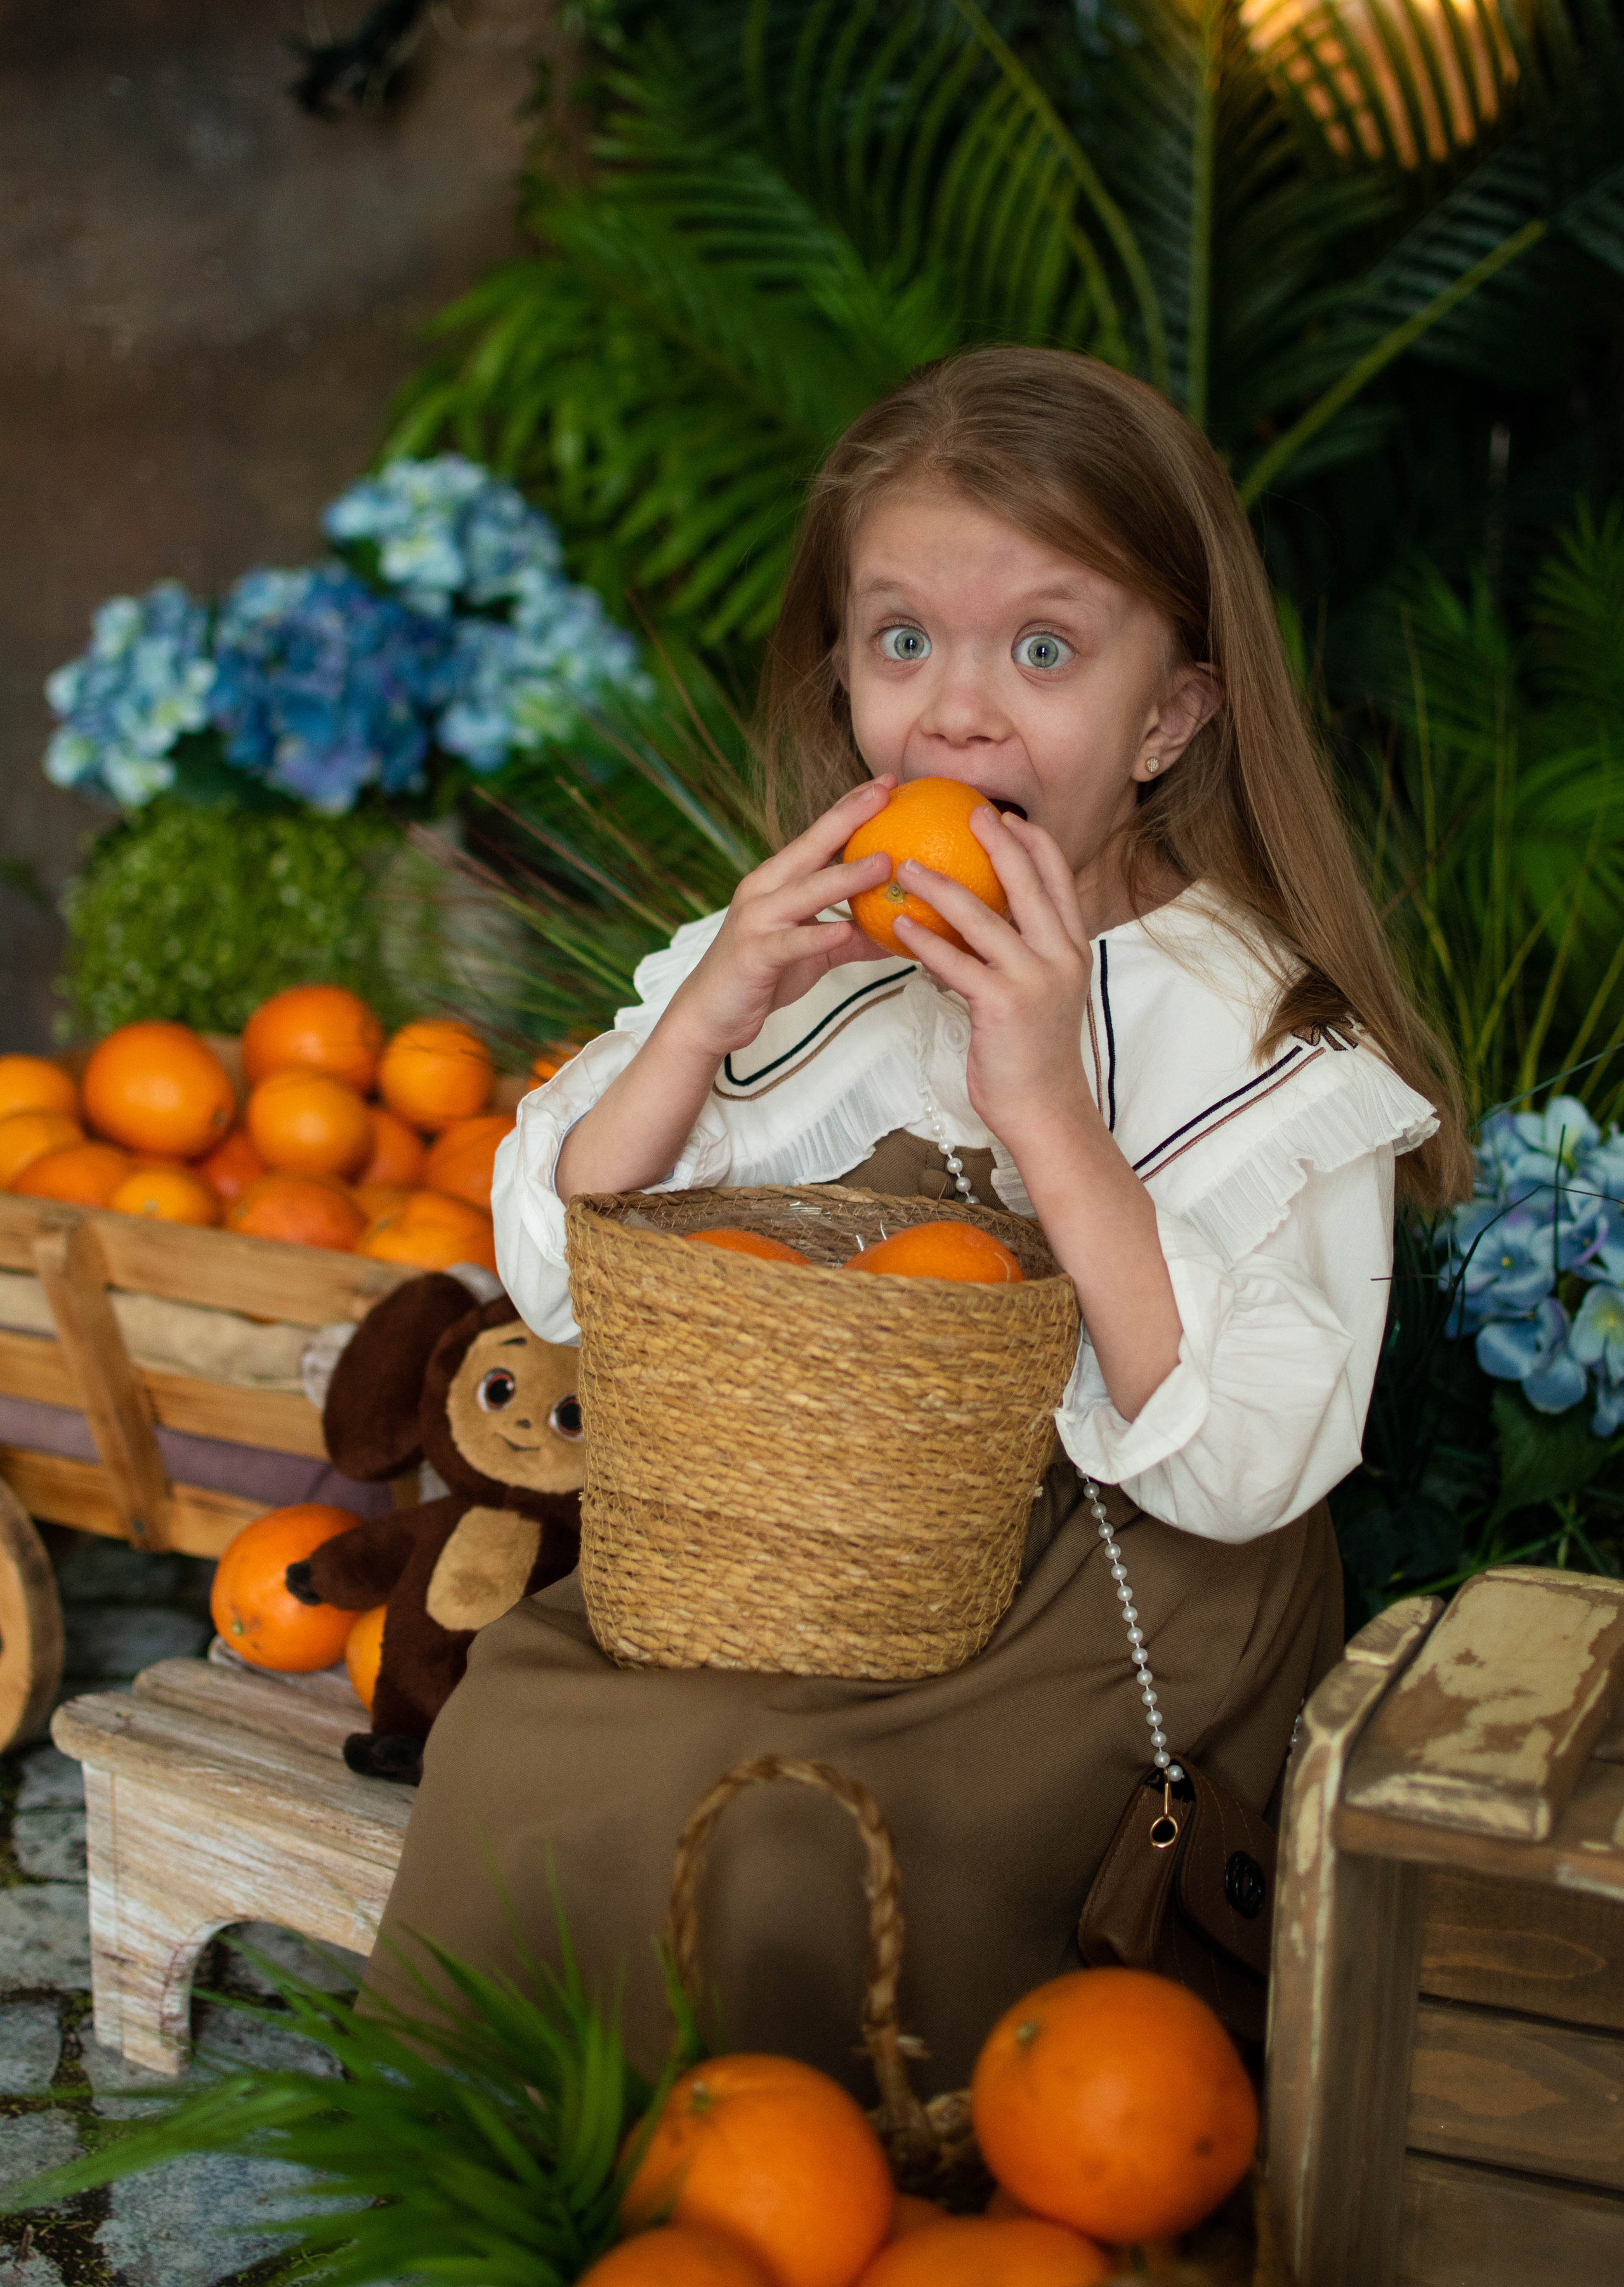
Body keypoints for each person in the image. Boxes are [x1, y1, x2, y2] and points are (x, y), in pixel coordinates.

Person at [363, 348, 1469, 2090]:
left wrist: (1043, 1099)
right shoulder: (823, 970)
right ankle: (552, 2185)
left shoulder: (1265, 1038)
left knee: (778, 1814)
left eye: (1043, 649)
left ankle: (831, 2188)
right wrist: (715, 1006)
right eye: (904, 642)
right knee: (537, 1709)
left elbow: (1248, 1471)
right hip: (819, 1542)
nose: (958, 713)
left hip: (1111, 1587)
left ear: (1169, 715)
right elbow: (568, 1279)